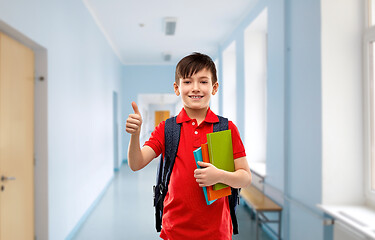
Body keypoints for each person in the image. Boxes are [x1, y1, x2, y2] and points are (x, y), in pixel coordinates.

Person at [126, 52, 251, 240]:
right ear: (177, 88)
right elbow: (136, 163)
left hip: (217, 232)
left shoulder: (226, 128)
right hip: (174, 231)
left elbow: (245, 177)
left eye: (203, 81)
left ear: (214, 87)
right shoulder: (167, 128)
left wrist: (220, 176)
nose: (195, 88)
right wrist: (135, 135)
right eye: (187, 82)